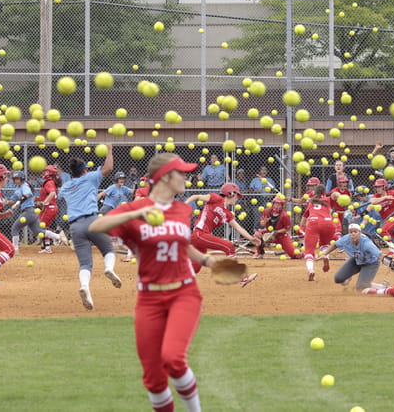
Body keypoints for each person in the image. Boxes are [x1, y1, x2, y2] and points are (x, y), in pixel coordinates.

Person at [88, 152, 218, 412]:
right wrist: (136, 214)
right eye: (181, 172)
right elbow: (95, 227)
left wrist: (207, 261)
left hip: (184, 293)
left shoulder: (183, 210)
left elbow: (183, 245)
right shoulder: (135, 209)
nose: (186, 177)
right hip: (149, 299)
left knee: (173, 359)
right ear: (165, 176)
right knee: (154, 380)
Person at [57, 145, 123, 311]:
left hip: (75, 227)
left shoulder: (65, 187)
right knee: (108, 250)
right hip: (92, 220)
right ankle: (109, 268)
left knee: (85, 264)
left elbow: (60, 191)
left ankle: (85, 286)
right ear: (84, 171)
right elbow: (108, 168)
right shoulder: (90, 178)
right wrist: (109, 150)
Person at [184, 183, 259, 286]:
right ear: (230, 193)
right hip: (199, 233)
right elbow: (195, 196)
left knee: (195, 267)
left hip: (202, 237)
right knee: (229, 247)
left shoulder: (227, 213)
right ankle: (242, 278)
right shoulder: (216, 198)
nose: (237, 198)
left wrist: (251, 238)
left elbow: (238, 228)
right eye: (236, 195)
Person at [8, 170, 64, 253]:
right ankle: (59, 236)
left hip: (29, 211)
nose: (16, 181)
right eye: (15, 179)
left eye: (18, 179)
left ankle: (15, 250)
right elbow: (12, 200)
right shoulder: (18, 188)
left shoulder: (24, 186)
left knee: (15, 228)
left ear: (22, 179)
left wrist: (19, 202)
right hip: (31, 212)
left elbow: (27, 194)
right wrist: (4, 202)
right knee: (39, 231)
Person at [318, 223, 385, 292]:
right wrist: (325, 254)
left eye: (355, 232)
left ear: (360, 233)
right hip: (356, 260)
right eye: (351, 232)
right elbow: (335, 244)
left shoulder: (366, 243)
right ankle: (349, 276)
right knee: (338, 278)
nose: (353, 234)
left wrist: (386, 260)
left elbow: (379, 254)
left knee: (361, 287)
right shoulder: (346, 239)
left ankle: (383, 286)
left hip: (370, 263)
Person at [300, 184, 340, 281]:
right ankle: (325, 256)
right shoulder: (328, 199)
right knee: (325, 245)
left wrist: (308, 230)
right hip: (328, 223)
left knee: (309, 251)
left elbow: (302, 223)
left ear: (315, 192)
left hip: (313, 223)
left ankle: (311, 270)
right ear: (324, 192)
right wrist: (339, 195)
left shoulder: (311, 202)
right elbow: (335, 194)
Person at [37, 165, 62, 253]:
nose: (44, 173)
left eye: (47, 171)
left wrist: (43, 203)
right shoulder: (51, 182)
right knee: (44, 228)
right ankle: (47, 247)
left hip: (49, 208)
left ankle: (59, 236)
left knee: (38, 227)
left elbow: (52, 193)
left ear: (51, 173)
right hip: (51, 208)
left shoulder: (49, 182)